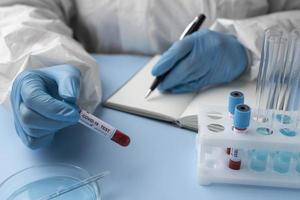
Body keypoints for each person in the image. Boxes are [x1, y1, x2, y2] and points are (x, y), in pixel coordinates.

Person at [0, 0, 299, 149]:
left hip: (254, 108)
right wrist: (40, 63)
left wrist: (247, 42)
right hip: (94, 117)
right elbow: (19, 5)